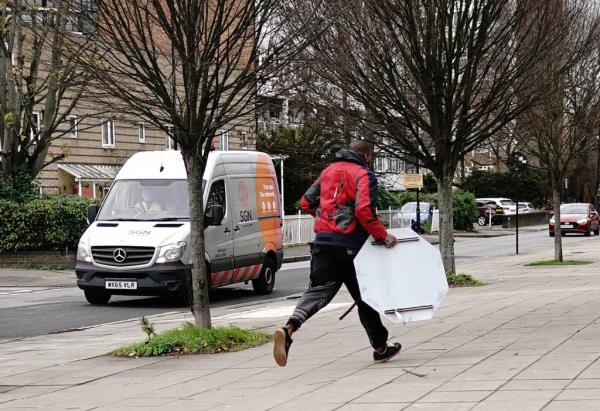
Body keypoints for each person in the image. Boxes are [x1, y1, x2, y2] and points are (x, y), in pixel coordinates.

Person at [273, 140, 400, 367]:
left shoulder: (327, 171)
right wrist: (382, 235)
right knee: (365, 298)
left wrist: (325, 218)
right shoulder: (364, 175)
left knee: (318, 291)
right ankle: (380, 347)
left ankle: (289, 327)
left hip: (322, 243)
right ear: (368, 156)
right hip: (350, 246)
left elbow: (305, 202)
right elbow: (364, 210)